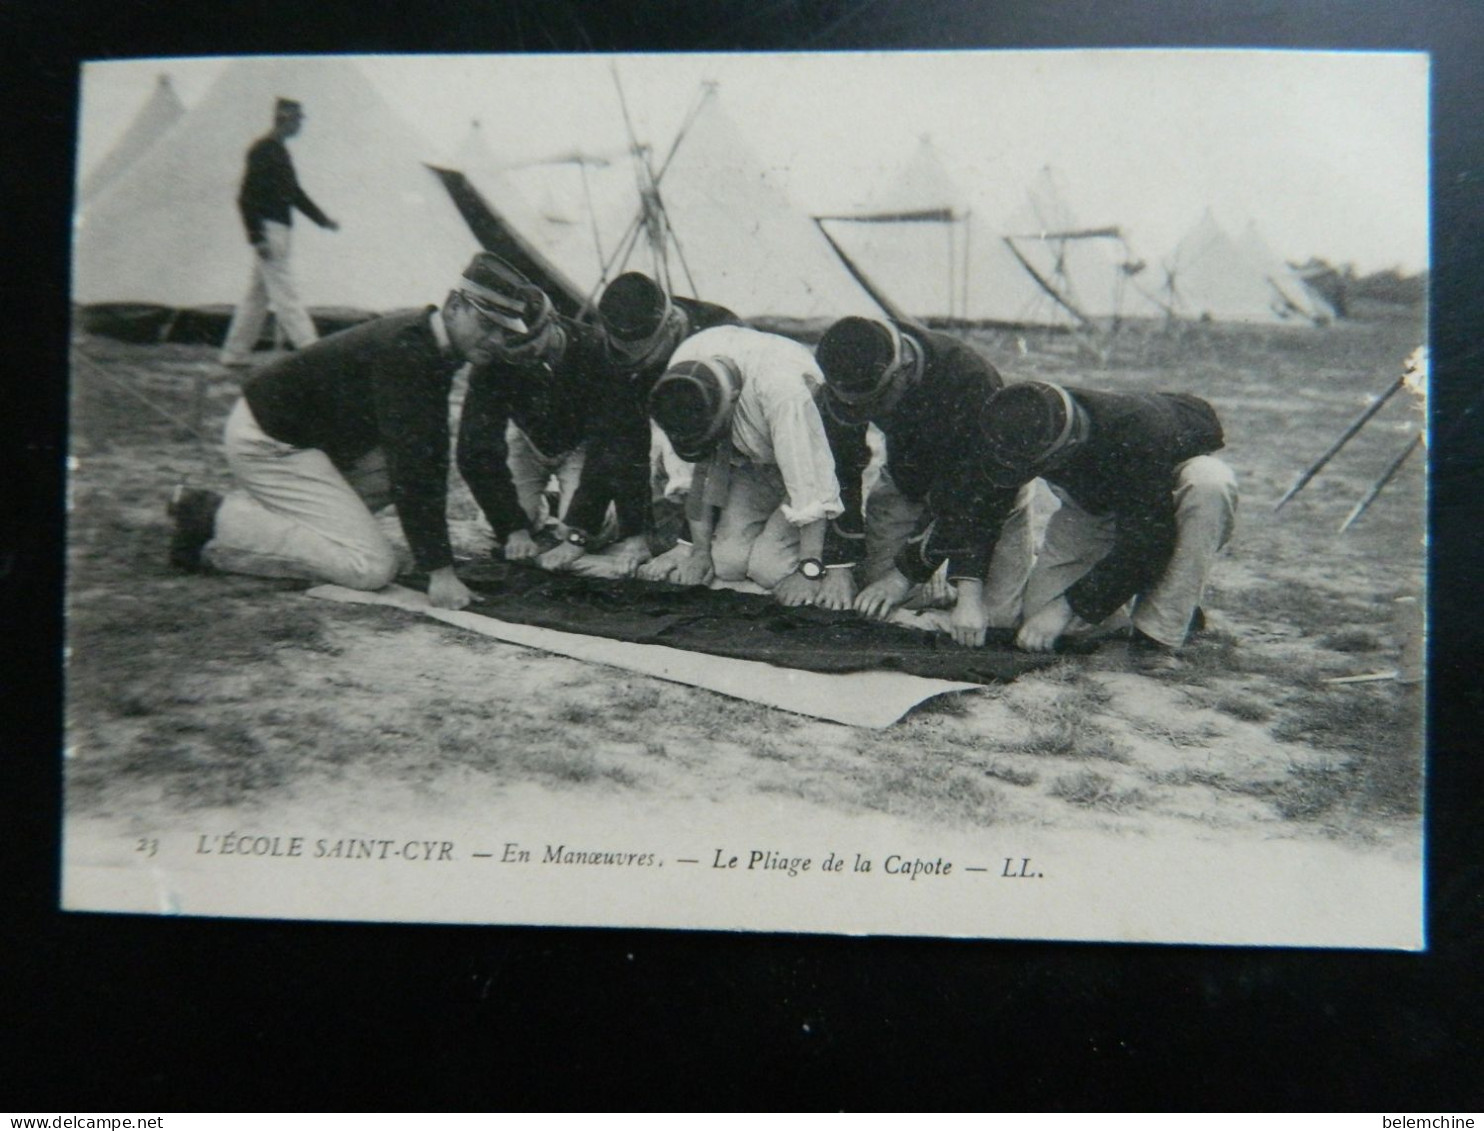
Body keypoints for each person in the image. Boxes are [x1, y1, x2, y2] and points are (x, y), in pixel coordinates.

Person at [166, 252, 546, 610]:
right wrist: (440, 573)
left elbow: (424, 460)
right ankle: (208, 514)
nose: (496, 341)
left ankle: (269, 514)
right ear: (454, 306)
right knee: (371, 567)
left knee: (404, 485)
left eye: (504, 331)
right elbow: (413, 465)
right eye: (486, 325)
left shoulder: (431, 342)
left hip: (308, 444)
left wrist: (437, 555)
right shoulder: (408, 351)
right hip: (268, 442)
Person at [916, 381, 1237, 663]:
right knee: (1038, 619)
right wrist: (970, 596)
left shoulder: (1140, 431)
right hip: (1092, 503)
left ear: (1066, 446)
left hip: (1164, 488)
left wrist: (1066, 608)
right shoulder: (1018, 417)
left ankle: (1160, 631)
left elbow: (1149, 541)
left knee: (1208, 484)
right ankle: (1131, 607)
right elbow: (981, 504)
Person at [812, 316, 1038, 641]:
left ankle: (988, 567)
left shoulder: (972, 380)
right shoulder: (849, 363)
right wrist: (838, 565)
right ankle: (933, 578)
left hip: (985, 491)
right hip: (908, 481)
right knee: (878, 595)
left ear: (903, 368)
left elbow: (976, 495)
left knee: (999, 619)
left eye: (875, 403)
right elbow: (840, 469)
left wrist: (906, 576)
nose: (867, 413)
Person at [533, 272, 738, 574]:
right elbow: (611, 442)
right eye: (622, 354)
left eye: (643, 358)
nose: (634, 366)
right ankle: (635, 530)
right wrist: (582, 532)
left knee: (730, 559)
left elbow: (729, 449)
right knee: (628, 444)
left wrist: (689, 544)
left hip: (739, 461)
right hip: (669, 464)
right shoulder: (613, 355)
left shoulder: (720, 336)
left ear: (669, 327)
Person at [453, 262, 650, 577]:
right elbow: (476, 446)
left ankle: (587, 511)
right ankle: (540, 508)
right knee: (497, 527)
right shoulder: (494, 359)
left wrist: (579, 531)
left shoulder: (597, 350)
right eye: (513, 355)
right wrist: (513, 528)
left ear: (552, 323)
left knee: (594, 534)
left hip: (581, 447)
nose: (524, 361)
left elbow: (613, 446)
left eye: (532, 348)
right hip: (529, 441)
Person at [636, 325, 850, 608]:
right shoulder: (680, 379)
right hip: (754, 465)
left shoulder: (781, 389)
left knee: (769, 569)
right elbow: (696, 475)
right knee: (726, 563)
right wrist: (697, 551)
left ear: (734, 397)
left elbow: (810, 481)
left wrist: (809, 570)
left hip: (818, 467)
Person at [219, 98, 340, 368]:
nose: (300, 126)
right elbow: (246, 197)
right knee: (286, 294)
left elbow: (295, 194)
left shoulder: (279, 152)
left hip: (279, 230)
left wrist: (323, 221)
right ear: (284, 118)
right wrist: (257, 237)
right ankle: (312, 350)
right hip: (271, 231)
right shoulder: (263, 150)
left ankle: (234, 354)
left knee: (257, 296)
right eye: (298, 120)